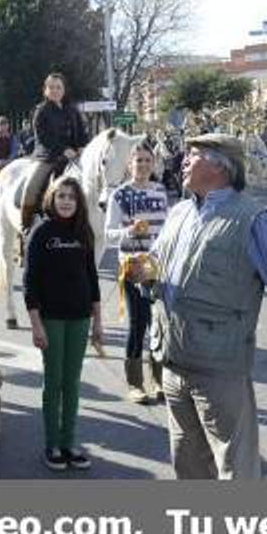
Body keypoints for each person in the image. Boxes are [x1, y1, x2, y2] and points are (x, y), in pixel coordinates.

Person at [127, 134, 267, 479]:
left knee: (235, 472)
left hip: (219, 370)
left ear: (220, 167)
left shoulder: (251, 219)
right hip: (172, 365)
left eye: (193, 156)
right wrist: (143, 271)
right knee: (188, 468)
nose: (183, 161)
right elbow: (158, 267)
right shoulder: (179, 211)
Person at [25, 177, 103, 471]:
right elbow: (30, 282)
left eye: (71, 197)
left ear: (78, 201)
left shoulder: (84, 232)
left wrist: (98, 321)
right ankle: (52, 445)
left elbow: (92, 279)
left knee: (72, 383)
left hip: (80, 317)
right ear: (52, 199)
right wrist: (36, 324)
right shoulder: (42, 231)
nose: (66, 201)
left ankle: (69, 443)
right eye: (61, 196)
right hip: (51, 318)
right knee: (54, 381)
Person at [104, 143, 168, 404]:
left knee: (159, 324)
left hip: (157, 265)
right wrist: (128, 232)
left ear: (153, 164)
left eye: (146, 160)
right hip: (132, 265)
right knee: (138, 323)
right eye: (137, 160)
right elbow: (108, 235)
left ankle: (159, 381)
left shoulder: (161, 191)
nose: (142, 165)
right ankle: (135, 383)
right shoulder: (119, 195)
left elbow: (166, 228)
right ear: (129, 164)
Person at [21, 72, 89, 231]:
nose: (55, 90)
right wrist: (63, 150)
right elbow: (43, 137)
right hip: (48, 156)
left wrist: (81, 146)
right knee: (31, 187)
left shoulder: (72, 110)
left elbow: (82, 132)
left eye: (58, 87)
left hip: (73, 156)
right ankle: (26, 223)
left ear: (64, 89)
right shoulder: (41, 110)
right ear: (45, 90)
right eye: (51, 87)